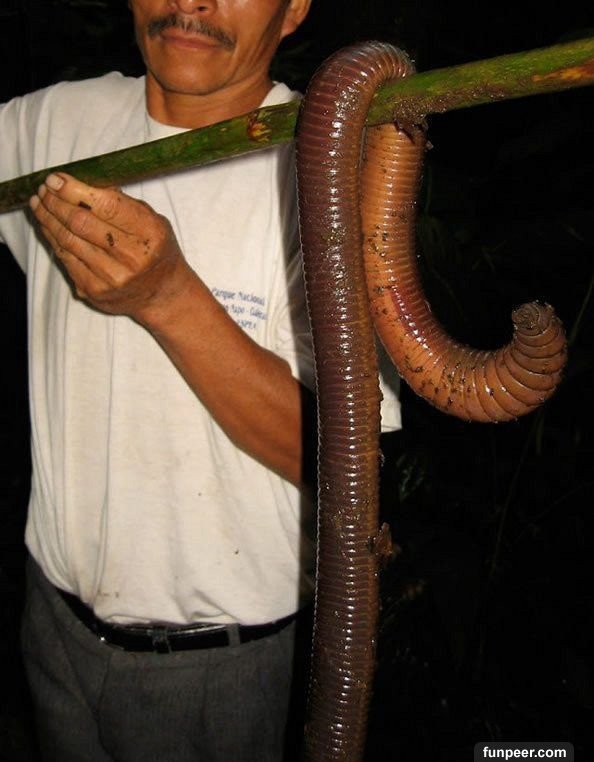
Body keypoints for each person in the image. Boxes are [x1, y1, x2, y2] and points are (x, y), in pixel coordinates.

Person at [0, 1, 402, 759]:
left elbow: (347, 462)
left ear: (294, 8)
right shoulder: (52, 122)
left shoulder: (326, 168)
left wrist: (169, 297)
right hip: (49, 622)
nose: (192, 2)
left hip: (219, 667)